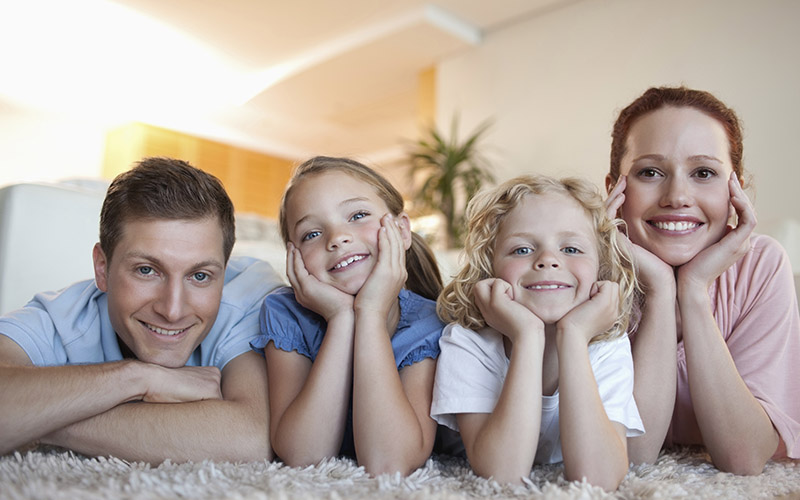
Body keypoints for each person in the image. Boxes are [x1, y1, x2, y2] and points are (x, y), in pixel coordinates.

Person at [0, 157, 284, 464]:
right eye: (147, 270)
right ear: (102, 267)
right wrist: (136, 378)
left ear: (224, 272)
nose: (173, 310)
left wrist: (42, 417)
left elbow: (252, 439)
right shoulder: (61, 316)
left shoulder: (251, 295)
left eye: (200, 276)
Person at [605, 86, 800, 474]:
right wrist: (660, 291)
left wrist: (692, 291)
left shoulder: (761, 265)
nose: (677, 196)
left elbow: (744, 455)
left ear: (736, 190)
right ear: (615, 190)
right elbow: (630, 453)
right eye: (650, 172)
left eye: (704, 172)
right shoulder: (584, 273)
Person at [430, 174, 643, 490]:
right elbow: (502, 475)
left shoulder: (607, 344)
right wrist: (527, 335)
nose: (547, 260)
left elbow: (598, 479)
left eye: (571, 248)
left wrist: (573, 335)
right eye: (521, 250)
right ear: (490, 268)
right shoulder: (467, 343)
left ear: (602, 268)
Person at [252, 156, 446, 476]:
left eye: (357, 215)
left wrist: (369, 312)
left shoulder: (429, 322)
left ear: (401, 231)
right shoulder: (284, 312)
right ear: (294, 257)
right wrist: (341, 319)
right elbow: (303, 454)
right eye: (311, 234)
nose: (337, 238)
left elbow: (390, 463)